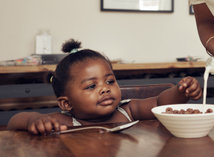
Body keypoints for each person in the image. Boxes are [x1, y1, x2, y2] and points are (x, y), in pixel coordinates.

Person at [7, 39, 202, 135]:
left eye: (109, 81)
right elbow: (14, 121)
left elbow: (161, 103)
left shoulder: (128, 110)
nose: (104, 88)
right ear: (66, 103)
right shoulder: (63, 122)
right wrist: (34, 119)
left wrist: (180, 91)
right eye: (91, 86)